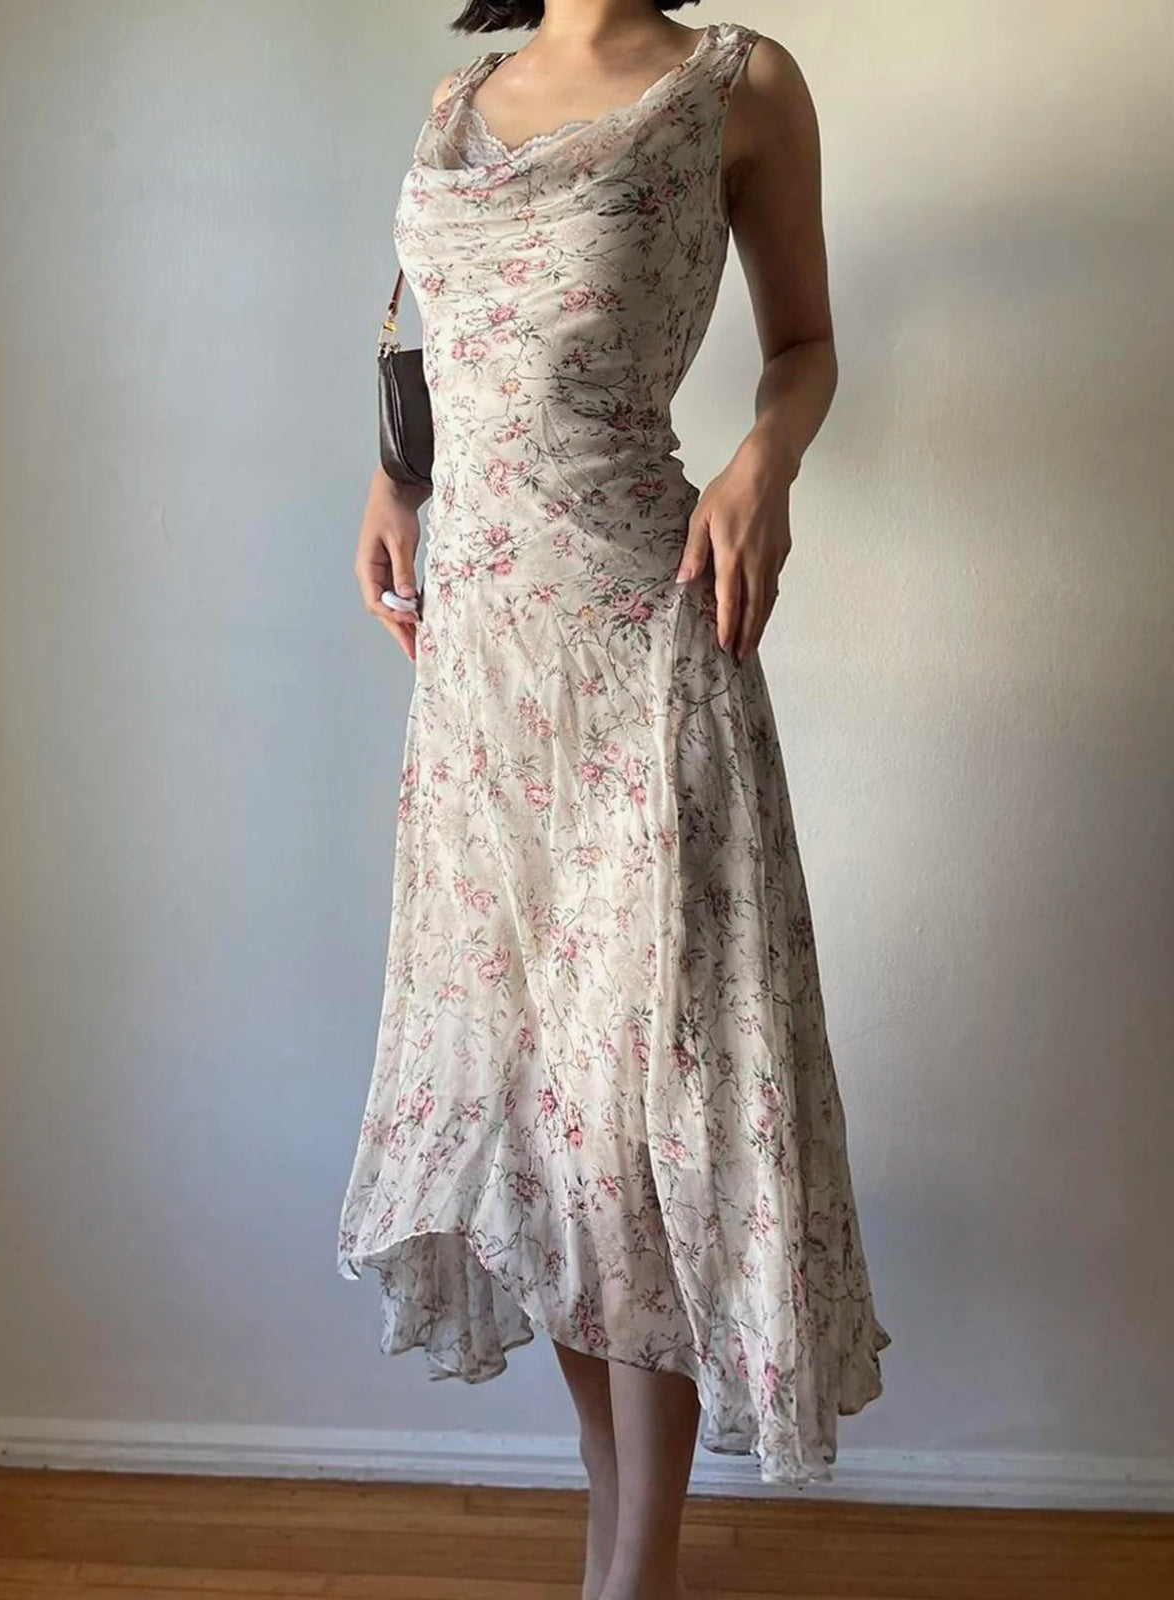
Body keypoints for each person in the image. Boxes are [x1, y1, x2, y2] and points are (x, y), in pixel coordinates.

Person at [338, 4, 891, 1596]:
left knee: (646, 1120)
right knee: (541, 1121)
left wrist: (765, 461)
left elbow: (805, 345)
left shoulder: (736, 85)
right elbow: (432, 336)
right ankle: (611, 1518)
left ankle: (635, 1568)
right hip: (481, 684)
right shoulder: (460, 99)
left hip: (640, 647)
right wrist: (396, 477)